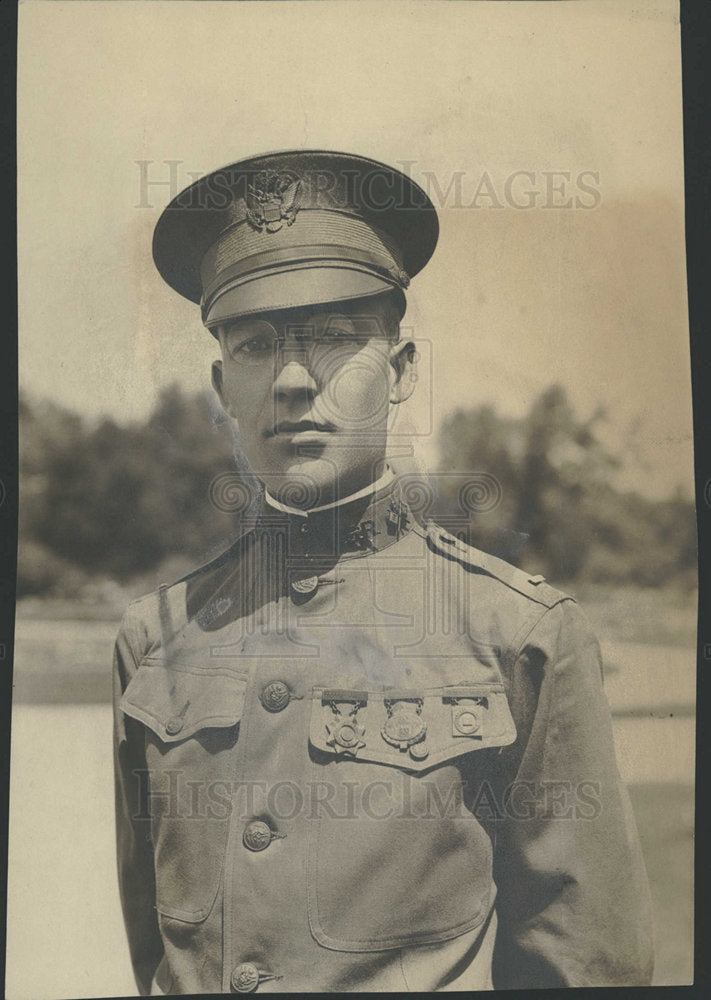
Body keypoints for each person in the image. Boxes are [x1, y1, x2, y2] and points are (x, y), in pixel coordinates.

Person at [113, 150, 654, 994]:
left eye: (334, 339)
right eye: (254, 347)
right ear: (223, 387)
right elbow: (151, 944)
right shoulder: (155, 637)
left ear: (399, 373)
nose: (293, 382)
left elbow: (589, 965)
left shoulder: (518, 635)